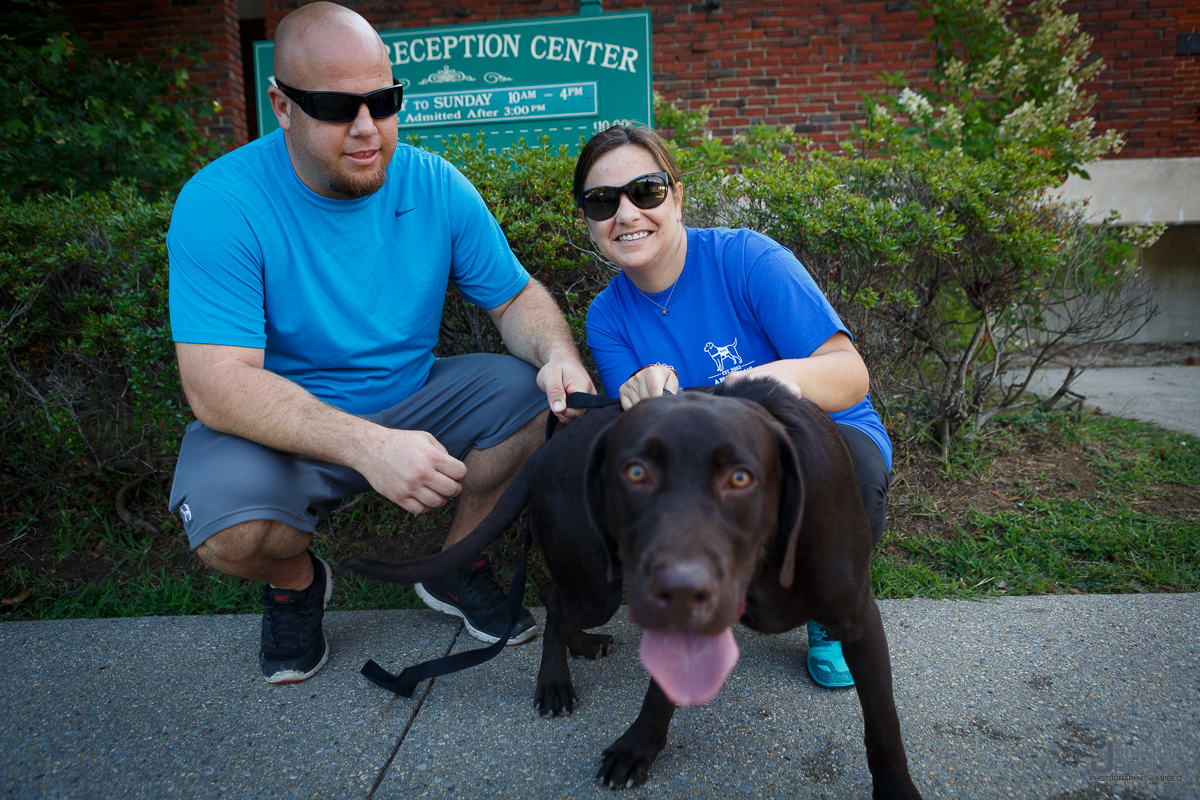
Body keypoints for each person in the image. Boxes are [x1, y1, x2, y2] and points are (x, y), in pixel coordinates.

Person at [166, 2, 594, 685]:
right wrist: (367, 446)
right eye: (337, 106)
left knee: (532, 397)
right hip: (281, 422)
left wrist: (559, 358)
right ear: (281, 106)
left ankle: (453, 570)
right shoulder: (221, 203)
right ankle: (295, 583)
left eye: (383, 101)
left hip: (413, 395)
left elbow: (516, 298)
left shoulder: (436, 183)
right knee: (229, 536)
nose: (368, 129)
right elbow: (216, 383)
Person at [575, 125, 892, 689]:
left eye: (645, 191)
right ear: (589, 219)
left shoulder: (746, 259)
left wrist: (769, 382)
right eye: (603, 201)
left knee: (842, 472)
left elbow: (850, 375)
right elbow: (645, 438)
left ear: (676, 195)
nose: (626, 215)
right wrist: (638, 397)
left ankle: (828, 606)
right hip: (713, 459)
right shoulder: (607, 317)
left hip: (822, 433)